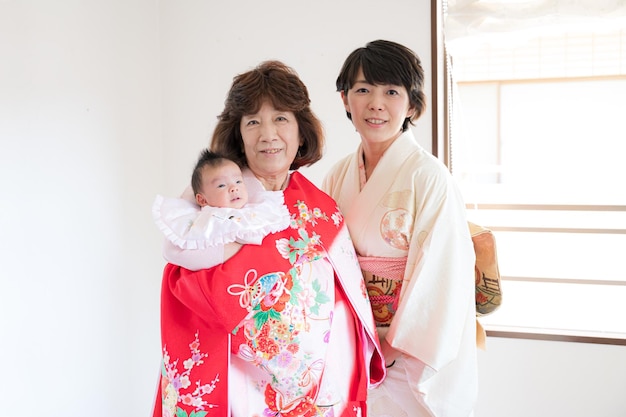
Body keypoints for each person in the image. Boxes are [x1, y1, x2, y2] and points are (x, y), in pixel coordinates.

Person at [152, 60, 385, 417]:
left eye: (280, 118)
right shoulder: (215, 199)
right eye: (253, 122)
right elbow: (189, 281)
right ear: (238, 134)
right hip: (241, 383)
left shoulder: (319, 205)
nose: (268, 134)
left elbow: (350, 300)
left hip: (324, 383)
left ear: (300, 130)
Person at [322, 40, 478, 417]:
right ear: (345, 100)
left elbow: (443, 274)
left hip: (404, 351)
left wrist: (389, 345)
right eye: (363, 90)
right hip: (352, 343)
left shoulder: (429, 177)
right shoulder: (338, 175)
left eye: (391, 91)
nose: (376, 103)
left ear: (412, 105)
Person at [152, 149, 291, 253]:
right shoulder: (211, 217)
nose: (234, 189)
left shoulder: (253, 207)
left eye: (238, 181)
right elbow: (248, 237)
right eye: (222, 185)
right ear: (202, 199)